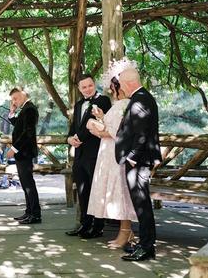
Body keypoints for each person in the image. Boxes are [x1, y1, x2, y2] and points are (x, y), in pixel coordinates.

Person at [85, 65, 138, 249]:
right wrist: (101, 118)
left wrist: (96, 128)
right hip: (108, 152)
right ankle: (126, 232)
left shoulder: (124, 105)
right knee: (116, 191)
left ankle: (126, 233)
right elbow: (112, 126)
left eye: (112, 86)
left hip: (116, 152)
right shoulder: (119, 105)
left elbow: (116, 132)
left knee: (120, 191)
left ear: (118, 87)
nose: (110, 90)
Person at [115, 58, 162, 261]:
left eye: (122, 84)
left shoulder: (140, 99)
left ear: (129, 83)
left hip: (138, 162)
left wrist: (132, 158)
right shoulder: (142, 97)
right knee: (140, 204)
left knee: (142, 205)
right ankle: (144, 244)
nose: (121, 88)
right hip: (140, 160)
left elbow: (142, 134)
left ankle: (146, 248)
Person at [65, 75, 111, 238]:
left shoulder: (104, 100)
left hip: (95, 153)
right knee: (83, 191)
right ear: (79, 89)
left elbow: (95, 124)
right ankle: (84, 224)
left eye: (90, 85)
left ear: (94, 84)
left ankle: (98, 227)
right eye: (84, 87)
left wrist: (79, 138)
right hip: (79, 155)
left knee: (96, 190)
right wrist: (69, 139)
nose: (87, 89)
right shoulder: (78, 105)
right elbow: (74, 127)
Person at [7, 87, 41, 225]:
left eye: (16, 98)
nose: (14, 101)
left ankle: (35, 215)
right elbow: (19, 126)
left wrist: (13, 149)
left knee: (29, 184)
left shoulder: (30, 109)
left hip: (25, 152)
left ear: (23, 94)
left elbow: (28, 133)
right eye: (12, 99)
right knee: (25, 184)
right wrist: (12, 113)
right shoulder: (25, 109)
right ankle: (29, 212)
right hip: (22, 153)